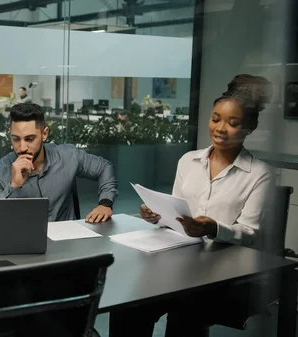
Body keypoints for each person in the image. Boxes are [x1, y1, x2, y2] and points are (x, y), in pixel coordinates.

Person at [112, 74, 275, 337]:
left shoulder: (259, 173)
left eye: (233, 123)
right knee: (129, 303)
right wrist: (157, 215)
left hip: (222, 271)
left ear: (249, 128)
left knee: (186, 310)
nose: (220, 129)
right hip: (180, 261)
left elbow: (251, 233)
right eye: (215, 119)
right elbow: (177, 216)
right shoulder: (188, 161)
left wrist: (214, 228)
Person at [0, 103, 118, 223]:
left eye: (30, 139)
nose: (22, 147)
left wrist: (105, 203)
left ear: (44, 134)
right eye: (16, 139)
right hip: (21, 247)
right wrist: (14, 186)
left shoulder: (67, 156)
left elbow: (104, 167)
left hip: (67, 245)